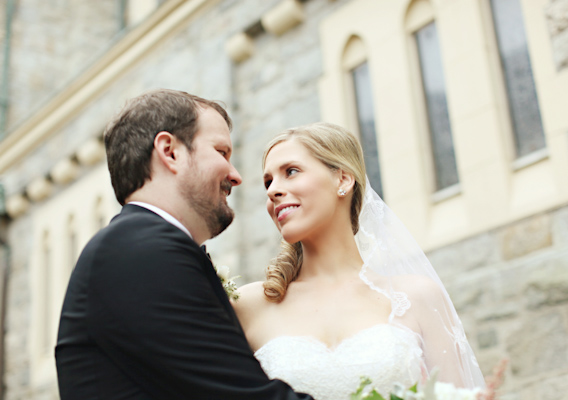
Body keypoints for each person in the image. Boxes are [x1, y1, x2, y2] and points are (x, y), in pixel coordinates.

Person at [55, 89, 314, 400]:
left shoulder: (142, 246)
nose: (235, 176)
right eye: (222, 152)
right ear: (170, 151)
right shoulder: (142, 253)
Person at [233, 122, 485, 400]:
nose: (272, 190)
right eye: (268, 181)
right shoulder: (248, 305)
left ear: (342, 180)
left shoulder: (417, 296)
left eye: (291, 172)